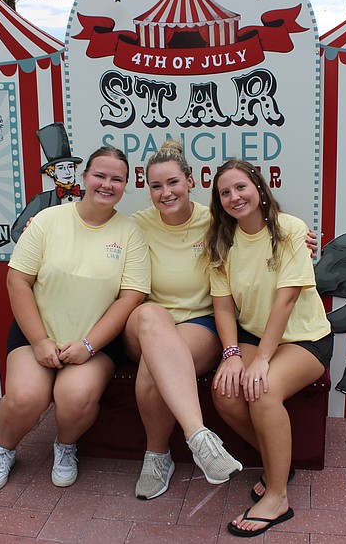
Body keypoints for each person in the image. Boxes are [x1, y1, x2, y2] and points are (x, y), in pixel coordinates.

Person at [0, 146, 150, 491]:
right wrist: (41, 341)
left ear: (126, 185)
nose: (107, 184)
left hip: (95, 342)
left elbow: (131, 296)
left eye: (117, 179)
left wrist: (88, 345)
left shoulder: (130, 233)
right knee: (26, 398)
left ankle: (65, 446)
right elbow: (18, 280)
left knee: (75, 397)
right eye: (100, 176)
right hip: (36, 335)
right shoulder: (47, 220)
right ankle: (4, 448)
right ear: (85, 177)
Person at [204, 159, 333, 538]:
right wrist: (231, 355)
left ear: (259, 189)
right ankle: (279, 463)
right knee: (225, 392)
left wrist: (261, 360)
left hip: (304, 338)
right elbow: (223, 305)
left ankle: (277, 496)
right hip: (253, 336)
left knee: (262, 391)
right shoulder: (221, 240)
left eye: (241, 187)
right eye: (225, 192)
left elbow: (287, 300)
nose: (234, 197)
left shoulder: (290, 230)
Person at [124, 140, 242, 500]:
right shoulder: (134, 225)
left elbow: (263, 229)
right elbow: (86, 231)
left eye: (173, 182)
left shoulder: (215, 220)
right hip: (144, 323)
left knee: (153, 369)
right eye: (156, 186)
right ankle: (199, 436)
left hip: (198, 324)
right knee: (149, 314)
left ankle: (157, 456)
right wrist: (43, 223)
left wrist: (300, 237)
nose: (165, 192)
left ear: (191, 180)